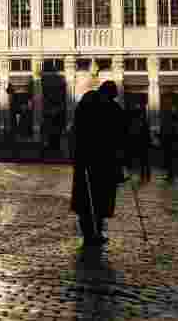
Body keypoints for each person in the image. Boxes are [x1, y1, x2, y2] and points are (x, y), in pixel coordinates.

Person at [70, 80, 122, 248]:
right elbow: (119, 134)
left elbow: (76, 130)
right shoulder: (108, 108)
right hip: (100, 161)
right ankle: (94, 233)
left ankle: (92, 234)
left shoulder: (88, 104)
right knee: (96, 199)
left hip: (89, 160)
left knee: (91, 200)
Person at [127, 105, 152, 182]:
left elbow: (133, 134)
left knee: (143, 161)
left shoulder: (137, 122)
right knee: (145, 161)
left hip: (141, 143)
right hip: (143, 143)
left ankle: (144, 176)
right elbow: (146, 133)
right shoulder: (142, 122)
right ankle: (146, 176)